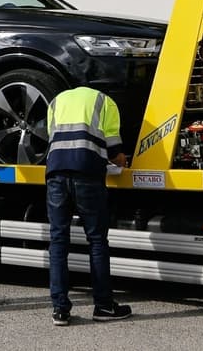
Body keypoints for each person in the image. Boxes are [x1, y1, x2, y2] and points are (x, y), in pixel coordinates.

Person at [45, 86, 133, 326]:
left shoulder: (57, 99)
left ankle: (60, 310)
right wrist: (122, 161)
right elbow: (114, 150)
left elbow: (50, 137)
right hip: (87, 175)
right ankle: (103, 306)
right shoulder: (105, 101)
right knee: (96, 240)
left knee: (58, 240)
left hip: (56, 174)